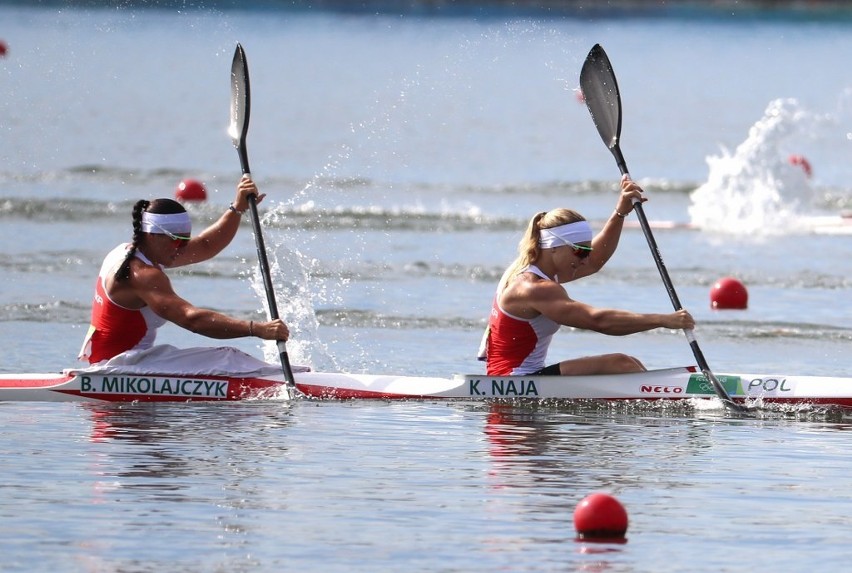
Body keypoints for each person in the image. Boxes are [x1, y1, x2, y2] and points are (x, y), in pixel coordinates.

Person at [480, 175, 695, 377]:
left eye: (587, 251)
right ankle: (667, 398)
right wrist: (664, 320)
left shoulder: (531, 269)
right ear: (554, 247)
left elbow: (595, 261)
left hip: (525, 378)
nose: (585, 259)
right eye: (580, 251)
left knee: (630, 363)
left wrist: (620, 212)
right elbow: (598, 321)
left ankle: (661, 394)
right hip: (514, 381)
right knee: (621, 364)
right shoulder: (533, 288)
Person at [78, 176, 290, 366]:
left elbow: (206, 245)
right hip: (119, 369)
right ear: (153, 235)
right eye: (178, 241)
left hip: (127, 361)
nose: (182, 248)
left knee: (227, 358)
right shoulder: (143, 275)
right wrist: (257, 329)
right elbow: (192, 320)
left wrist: (237, 208)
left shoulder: (136, 250)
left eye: (185, 241)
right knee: (228, 359)